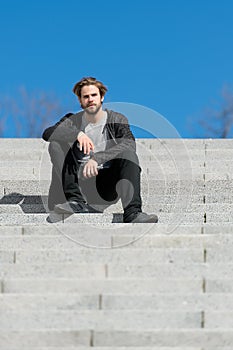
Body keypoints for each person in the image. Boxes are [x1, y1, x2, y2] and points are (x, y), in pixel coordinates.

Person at [42, 77, 158, 223]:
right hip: (78, 183)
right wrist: (77, 134)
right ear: (80, 100)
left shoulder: (116, 119)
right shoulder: (72, 120)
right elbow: (47, 133)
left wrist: (97, 159)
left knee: (128, 154)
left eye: (94, 95)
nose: (90, 99)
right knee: (55, 145)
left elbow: (129, 143)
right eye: (85, 96)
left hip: (106, 185)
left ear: (101, 97)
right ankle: (75, 201)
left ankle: (132, 213)